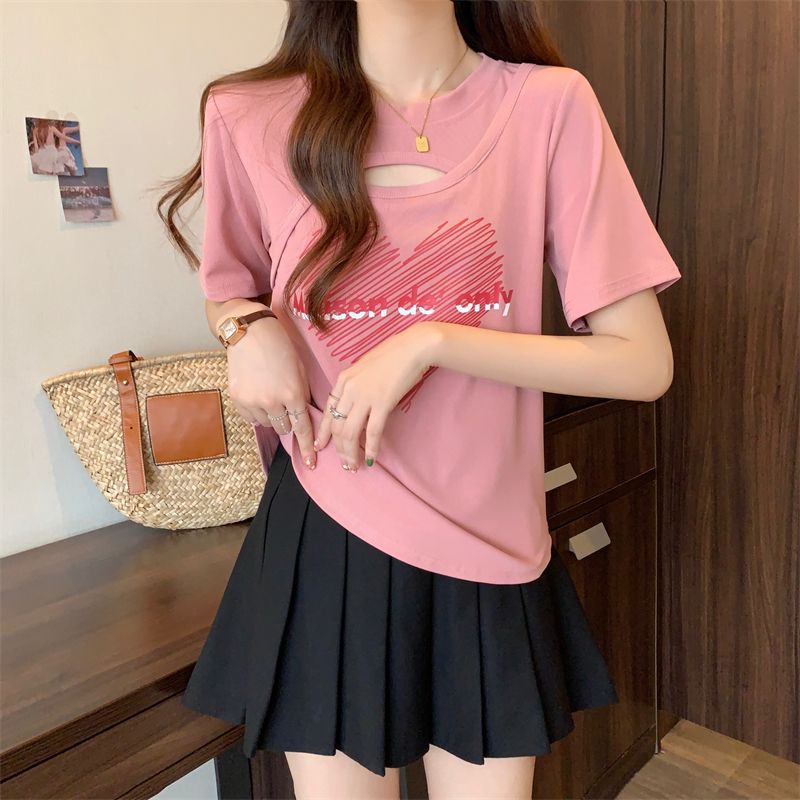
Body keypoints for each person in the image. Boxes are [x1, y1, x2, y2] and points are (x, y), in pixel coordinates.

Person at [158, 1, 681, 797]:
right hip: (328, 529)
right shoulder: (247, 112)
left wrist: (431, 342)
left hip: (489, 538)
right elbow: (231, 288)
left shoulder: (548, 106)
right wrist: (245, 329)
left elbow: (643, 363)